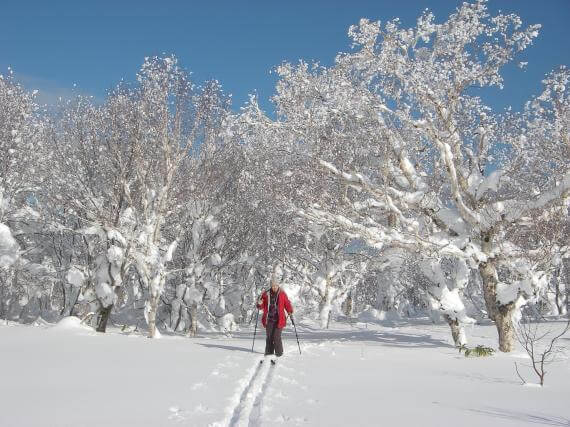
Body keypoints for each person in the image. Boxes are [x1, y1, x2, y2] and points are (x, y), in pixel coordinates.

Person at [257, 275, 293, 362]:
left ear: (278, 286)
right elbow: (260, 307)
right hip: (269, 319)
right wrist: (259, 303)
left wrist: (290, 311)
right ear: (271, 286)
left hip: (279, 319)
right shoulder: (266, 294)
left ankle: (279, 353)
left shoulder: (282, 294)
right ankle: (269, 352)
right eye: (273, 286)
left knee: (276, 337)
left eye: (276, 285)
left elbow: (287, 303)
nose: (274, 287)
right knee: (269, 336)